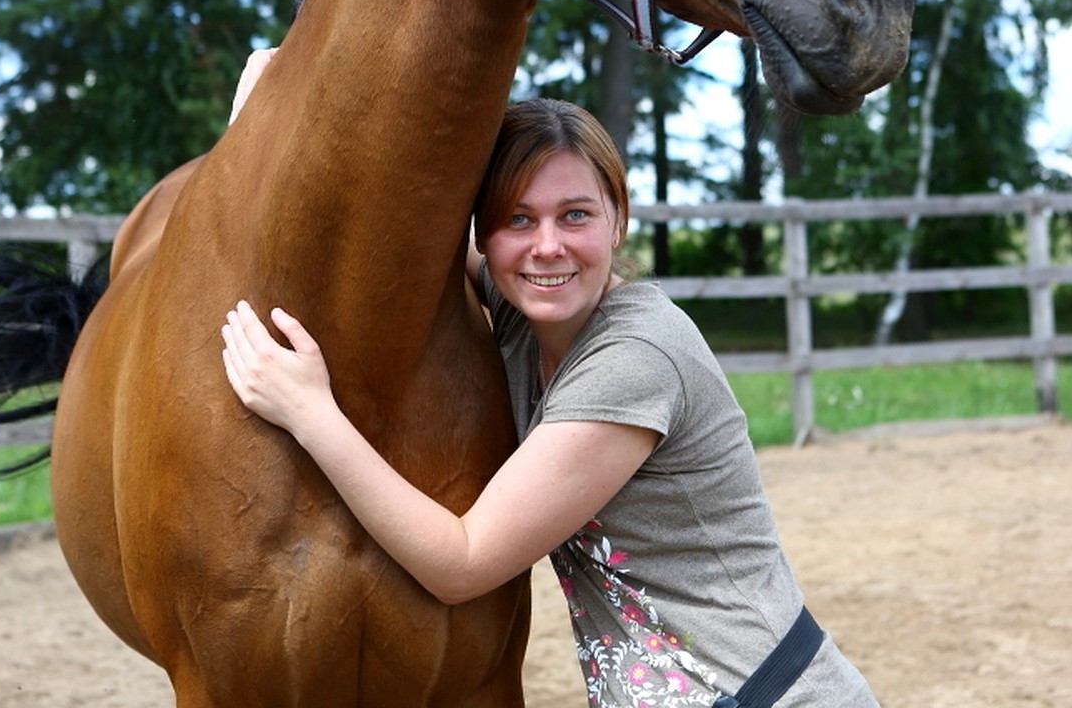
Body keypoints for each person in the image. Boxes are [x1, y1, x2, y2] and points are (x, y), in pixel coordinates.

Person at [221, 96, 880, 707]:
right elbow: (396, 218)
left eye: (575, 215)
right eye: (517, 218)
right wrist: (265, 106)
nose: (546, 246)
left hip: (766, 694)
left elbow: (464, 561)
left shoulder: (636, 357)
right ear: (481, 233)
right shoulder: (520, 314)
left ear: (618, 219)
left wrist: (311, 413)